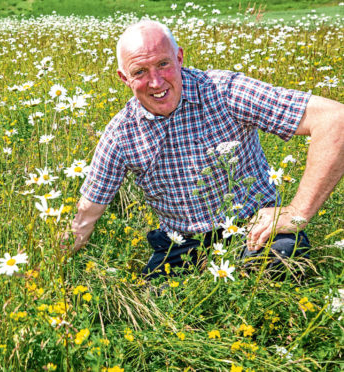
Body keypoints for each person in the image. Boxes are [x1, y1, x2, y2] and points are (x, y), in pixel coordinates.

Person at [67, 20, 344, 279]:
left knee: (278, 262)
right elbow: (87, 213)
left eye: (163, 64)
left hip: (252, 227)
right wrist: (43, 267)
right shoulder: (121, 133)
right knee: (158, 301)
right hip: (181, 242)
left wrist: (296, 212)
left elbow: (335, 121)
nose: (155, 82)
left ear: (179, 58)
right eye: (140, 72)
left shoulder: (223, 91)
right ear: (124, 78)